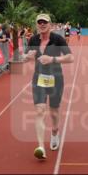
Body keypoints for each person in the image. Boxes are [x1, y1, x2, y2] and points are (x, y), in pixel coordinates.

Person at [24, 13, 73, 160]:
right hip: (38, 78)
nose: (42, 24)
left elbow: (70, 57)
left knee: (54, 112)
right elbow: (26, 57)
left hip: (55, 78)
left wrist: (52, 59)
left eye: (44, 22)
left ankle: (55, 131)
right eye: (39, 22)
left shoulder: (58, 39)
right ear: (36, 25)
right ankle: (41, 147)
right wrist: (27, 57)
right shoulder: (33, 39)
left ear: (50, 24)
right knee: (40, 110)